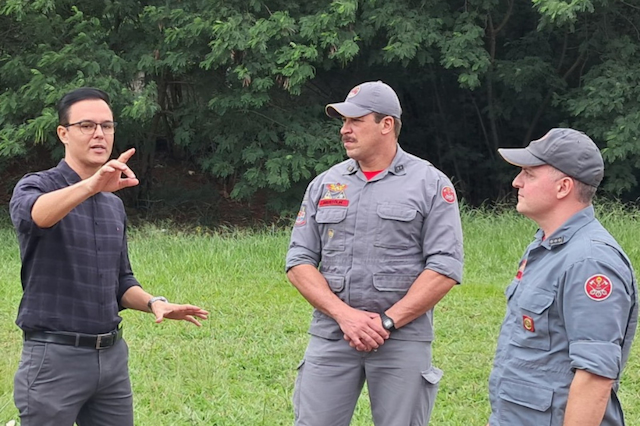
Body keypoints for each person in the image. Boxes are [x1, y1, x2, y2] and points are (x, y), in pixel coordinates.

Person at [9, 87, 209, 426]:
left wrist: (153, 303)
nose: (99, 134)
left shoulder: (112, 204)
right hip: (54, 357)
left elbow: (121, 281)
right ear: (64, 133)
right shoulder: (37, 186)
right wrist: (91, 186)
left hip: (111, 359)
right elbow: (36, 216)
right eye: (86, 125)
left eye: (107, 126)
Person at [285, 81, 464, 426]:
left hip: (402, 337)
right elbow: (299, 260)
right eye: (343, 121)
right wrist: (344, 316)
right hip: (332, 335)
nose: (345, 129)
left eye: (355, 120)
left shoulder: (430, 183)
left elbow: (444, 266)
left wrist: (388, 321)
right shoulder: (325, 184)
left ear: (386, 124)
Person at [488, 128, 638, 426]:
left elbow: (594, 378)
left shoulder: (590, 261)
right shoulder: (547, 246)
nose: (516, 181)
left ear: (563, 187)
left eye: (529, 174)